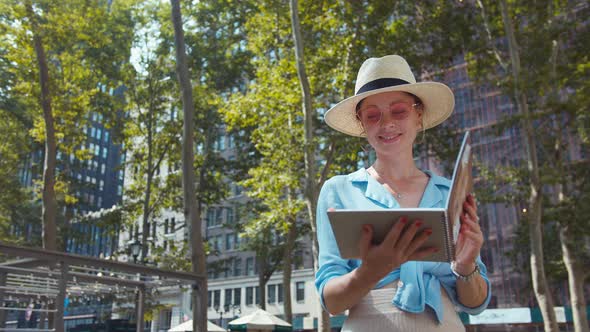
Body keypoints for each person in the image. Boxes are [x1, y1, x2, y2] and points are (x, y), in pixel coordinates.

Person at [315, 55, 491, 331]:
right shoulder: (338, 190)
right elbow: (332, 302)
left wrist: (467, 265)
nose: (386, 124)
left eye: (399, 111)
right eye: (373, 115)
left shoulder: (449, 192)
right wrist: (369, 272)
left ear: (418, 115)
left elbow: (476, 304)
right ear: (362, 124)